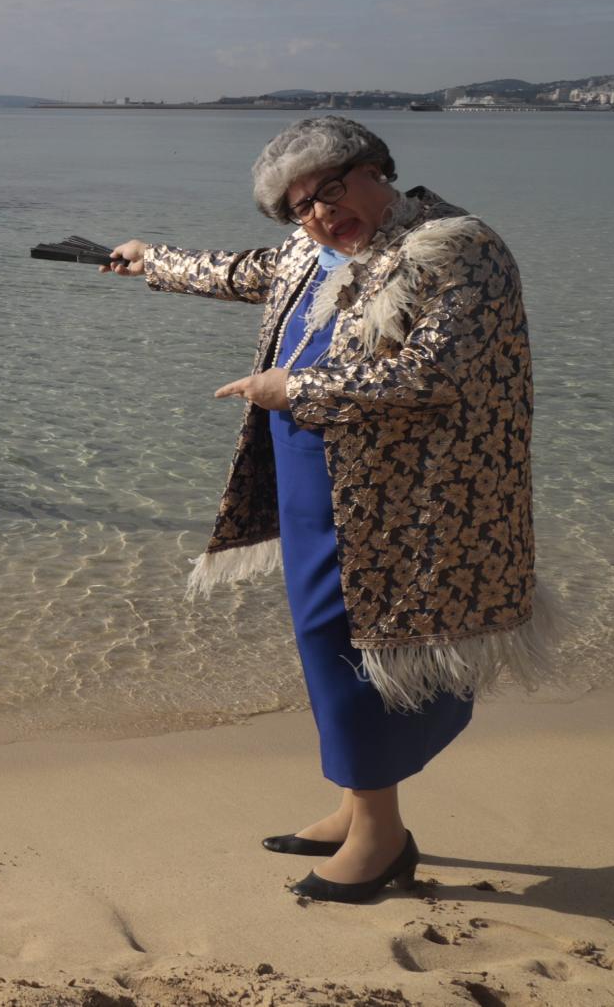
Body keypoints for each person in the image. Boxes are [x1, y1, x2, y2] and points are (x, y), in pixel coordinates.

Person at [101, 115, 551, 904]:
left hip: (403, 495)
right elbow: (242, 271)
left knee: (361, 645)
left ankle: (381, 841)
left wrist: (294, 388)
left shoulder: (455, 248)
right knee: (325, 640)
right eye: (299, 207)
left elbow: (432, 374)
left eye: (330, 193)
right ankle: (356, 805)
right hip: (314, 475)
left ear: (378, 170)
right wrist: (152, 259)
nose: (317, 216)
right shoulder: (318, 251)